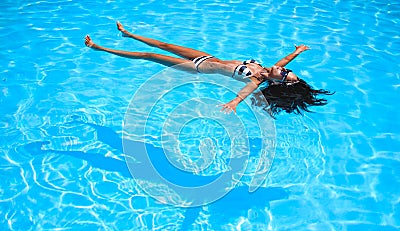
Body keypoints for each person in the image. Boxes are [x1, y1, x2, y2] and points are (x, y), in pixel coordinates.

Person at [85, 22, 333, 116]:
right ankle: (128, 34)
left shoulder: (257, 81)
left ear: (279, 82)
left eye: (286, 75)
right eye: (288, 71)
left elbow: (242, 93)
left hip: (197, 69)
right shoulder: (273, 69)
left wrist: (233, 104)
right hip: (206, 57)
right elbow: (285, 61)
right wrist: (297, 52)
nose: (285, 70)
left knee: (149, 56)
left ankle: (100, 48)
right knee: (164, 44)